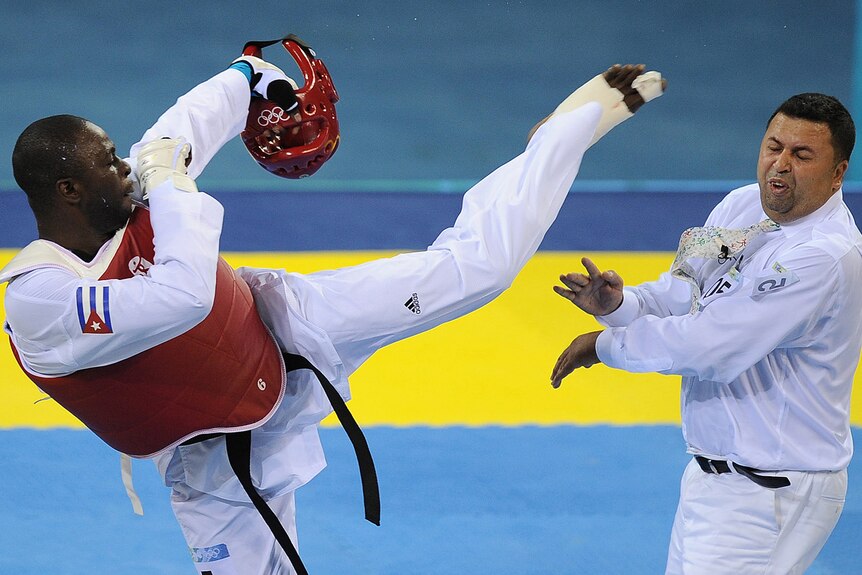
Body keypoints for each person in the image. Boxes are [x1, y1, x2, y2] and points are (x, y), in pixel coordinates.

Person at [4, 51, 663, 574]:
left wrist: (261, 80)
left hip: (282, 320)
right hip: (213, 460)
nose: (128, 169)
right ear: (69, 191)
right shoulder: (40, 299)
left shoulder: (130, 184)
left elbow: (204, 109)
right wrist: (173, 182)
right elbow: (181, 295)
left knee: (476, 270)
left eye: (122, 156)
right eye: (107, 164)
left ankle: (555, 142)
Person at [550, 92, 862, 574]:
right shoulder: (741, 206)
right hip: (714, 478)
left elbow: (712, 346)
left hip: (772, 492)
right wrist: (619, 306)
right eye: (773, 147)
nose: (780, 165)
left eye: (802, 155)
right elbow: (685, 294)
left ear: (838, 172)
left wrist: (604, 347)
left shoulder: (821, 257)